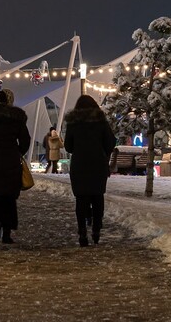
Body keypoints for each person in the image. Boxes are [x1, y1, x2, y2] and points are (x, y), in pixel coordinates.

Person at [64, 95, 117, 246]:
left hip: (80, 165)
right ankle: (96, 229)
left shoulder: (73, 123)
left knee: (81, 199)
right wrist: (102, 153)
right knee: (97, 197)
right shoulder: (100, 121)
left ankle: (82, 232)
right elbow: (110, 141)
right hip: (97, 164)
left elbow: (68, 146)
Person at [0, 89, 30, 244]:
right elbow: (25, 140)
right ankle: (6, 232)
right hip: (11, 161)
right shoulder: (17, 118)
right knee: (9, 197)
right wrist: (18, 152)